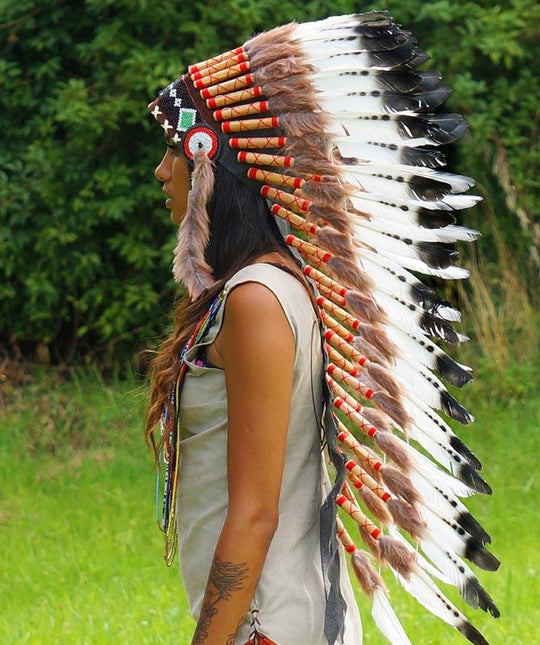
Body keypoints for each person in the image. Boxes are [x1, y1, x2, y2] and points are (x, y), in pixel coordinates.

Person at [145, 11, 499, 645]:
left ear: (211, 166)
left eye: (174, 148)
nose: (162, 170)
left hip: (266, 626)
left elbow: (254, 513)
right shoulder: (275, 287)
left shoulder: (256, 301)